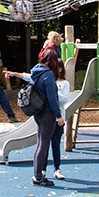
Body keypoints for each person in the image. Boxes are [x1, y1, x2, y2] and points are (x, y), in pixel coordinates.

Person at [28, 51, 66, 187]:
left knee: (40, 143)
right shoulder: (49, 75)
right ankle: (38, 176)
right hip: (48, 113)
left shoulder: (36, 71)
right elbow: (52, 98)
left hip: (38, 111)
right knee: (44, 144)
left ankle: (37, 174)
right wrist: (58, 115)